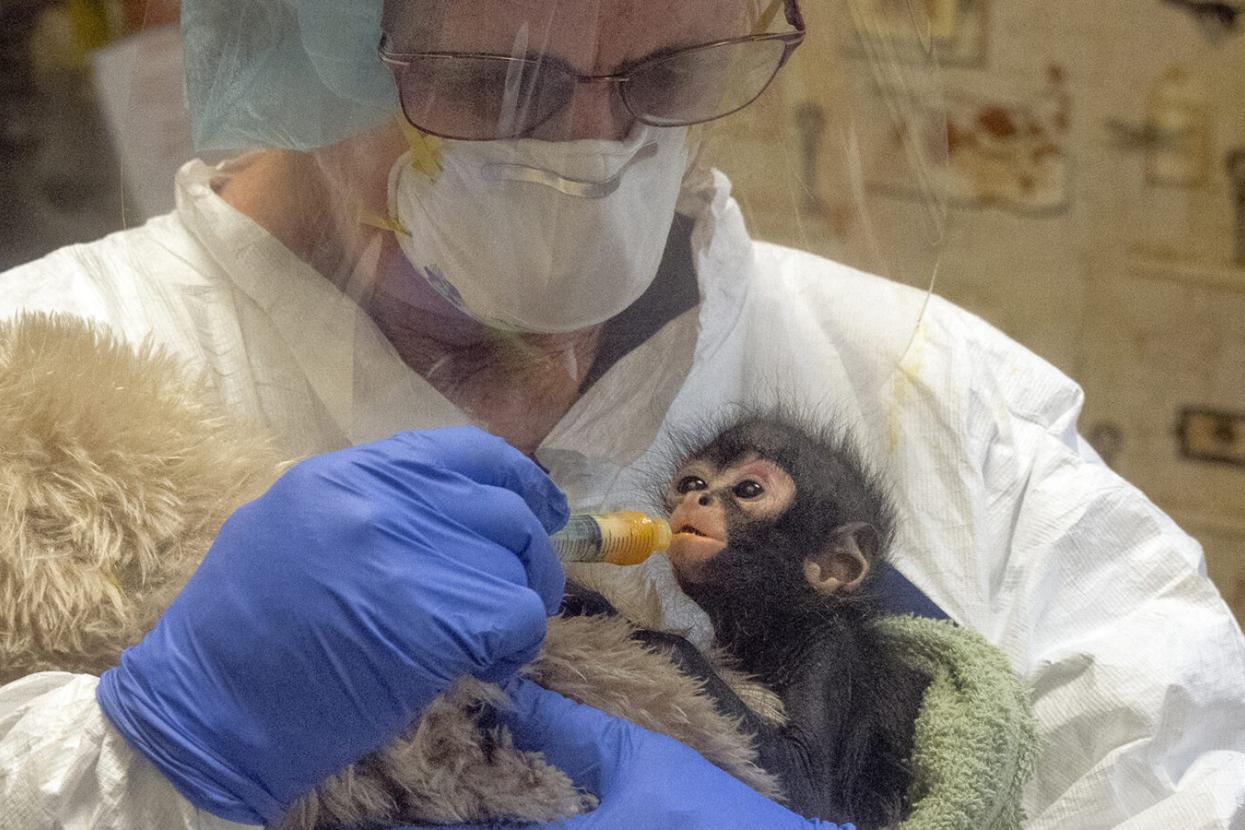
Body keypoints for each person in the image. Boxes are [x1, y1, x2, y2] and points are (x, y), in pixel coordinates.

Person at [1, 0, 1243, 828]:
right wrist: (153, 755)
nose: (592, 149)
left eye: (670, 69)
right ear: (307, 38)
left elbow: (1185, 763)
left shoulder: (927, 387)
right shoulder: (36, 377)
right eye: (496, 78)